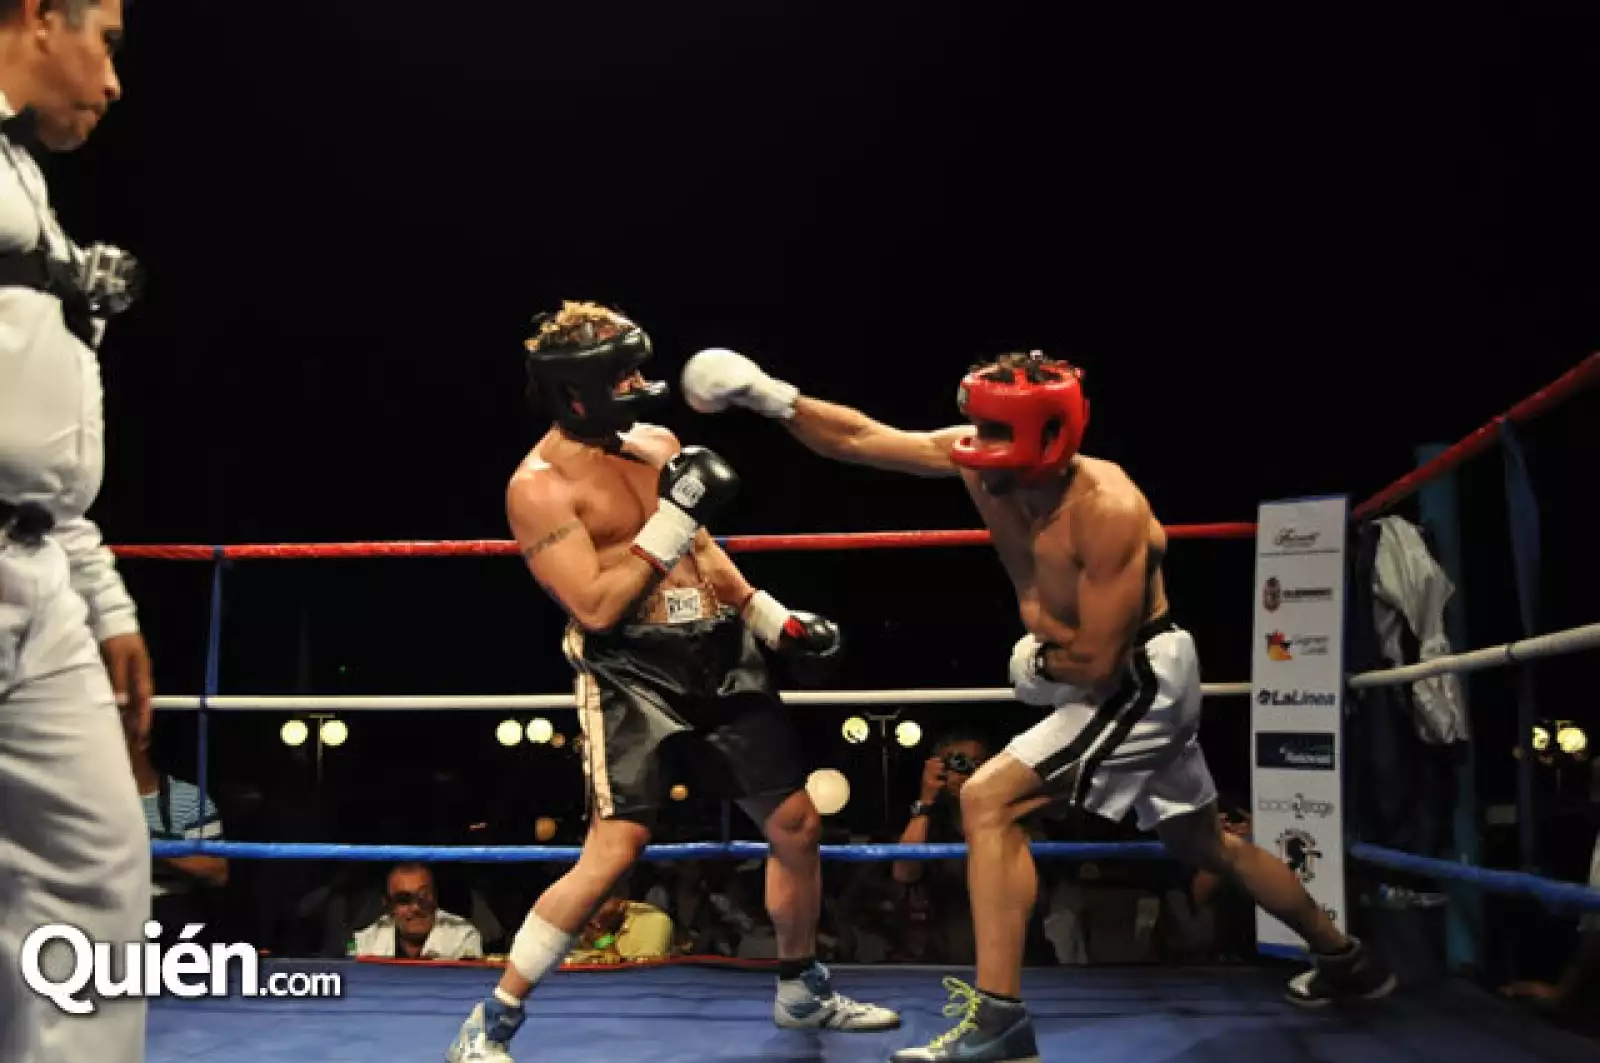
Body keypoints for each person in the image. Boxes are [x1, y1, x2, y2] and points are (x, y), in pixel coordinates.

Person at [681, 346, 1396, 1062]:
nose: (975, 445)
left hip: (1136, 676)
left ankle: (1001, 1024)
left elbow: (1099, 659)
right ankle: (1348, 960)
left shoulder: (1109, 507)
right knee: (1205, 843)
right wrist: (771, 396)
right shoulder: (984, 465)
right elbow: (863, 438)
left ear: (1046, 436)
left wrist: (1040, 663)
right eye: (978, 428)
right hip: (1104, 673)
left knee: (990, 797)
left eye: (995, 432)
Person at [445, 302, 898, 1063]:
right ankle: (492, 1019)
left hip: (717, 650)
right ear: (576, 391)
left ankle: (801, 987)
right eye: (618, 372)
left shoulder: (657, 442)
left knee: (796, 824)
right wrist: (670, 518)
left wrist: (768, 617)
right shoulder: (539, 486)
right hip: (631, 670)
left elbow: (703, 549)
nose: (638, 380)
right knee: (615, 850)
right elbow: (593, 603)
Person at [0, 4, 153, 1063]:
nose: (112, 81)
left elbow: (29, 433)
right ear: (36, 16)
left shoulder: (25, 186)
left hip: (37, 569)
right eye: (102, 38)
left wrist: (102, 595)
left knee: (97, 872)